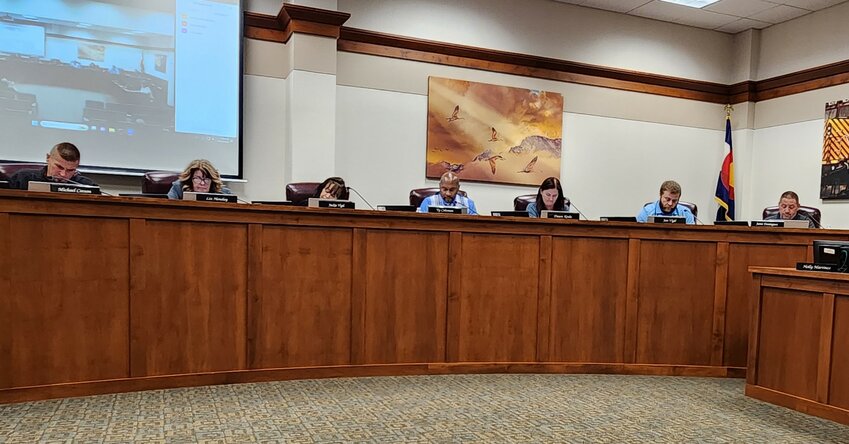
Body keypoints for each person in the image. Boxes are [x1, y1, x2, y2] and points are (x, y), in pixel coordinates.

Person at [8, 142, 98, 190]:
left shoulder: (86, 185)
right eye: (59, 167)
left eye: (70, 170)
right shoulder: (23, 178)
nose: (63, 174)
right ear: (48, 158)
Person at [167, 159, 231, 199]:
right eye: (197, 178)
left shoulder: (224, 193)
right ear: (190, 180)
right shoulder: (178, 188)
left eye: (207, 179)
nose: (202, 183)